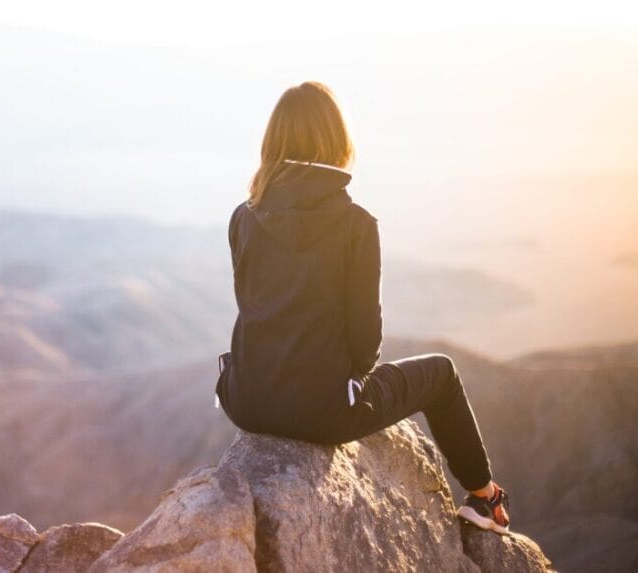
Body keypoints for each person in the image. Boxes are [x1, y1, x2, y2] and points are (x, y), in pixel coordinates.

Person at [214, 80, 510, 534]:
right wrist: (342, 385)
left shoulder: (243, 215)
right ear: (337, 141)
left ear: (272, 142)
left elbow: (253, 307)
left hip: (244, 399)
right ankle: (484, 497)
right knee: (443, 374)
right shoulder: (356, 225)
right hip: (323, 412)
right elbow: (366, 342)